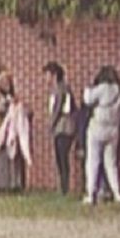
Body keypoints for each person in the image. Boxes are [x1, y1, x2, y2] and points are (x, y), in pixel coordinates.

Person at [82, 65, 120, 204]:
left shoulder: (102, 88)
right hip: (114, 129)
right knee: (111, 163)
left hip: (98, 127)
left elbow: (87, 99)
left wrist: (88, 87)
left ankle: (91, 193)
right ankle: (117, 193)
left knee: (93, 161)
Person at [44, 61, 78, 195]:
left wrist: (51, 124)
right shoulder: (58, 89)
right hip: (61, 127)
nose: (46, 78)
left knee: (62, 157)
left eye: (47, 74)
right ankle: (63, 186)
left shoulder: (60, 89)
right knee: (60, 157)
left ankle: (64, 187)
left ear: (54, 75)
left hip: (64, 127)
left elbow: (57, 109)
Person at [0, 76, 32, 191]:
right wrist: (7, 105)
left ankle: (16, 184)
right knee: (1, 159)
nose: (6, 86)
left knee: (15, 158)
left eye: (8, 83)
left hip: (14, 133)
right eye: (3, 83)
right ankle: (0, 184)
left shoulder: (14, 97)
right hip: (1, 131)